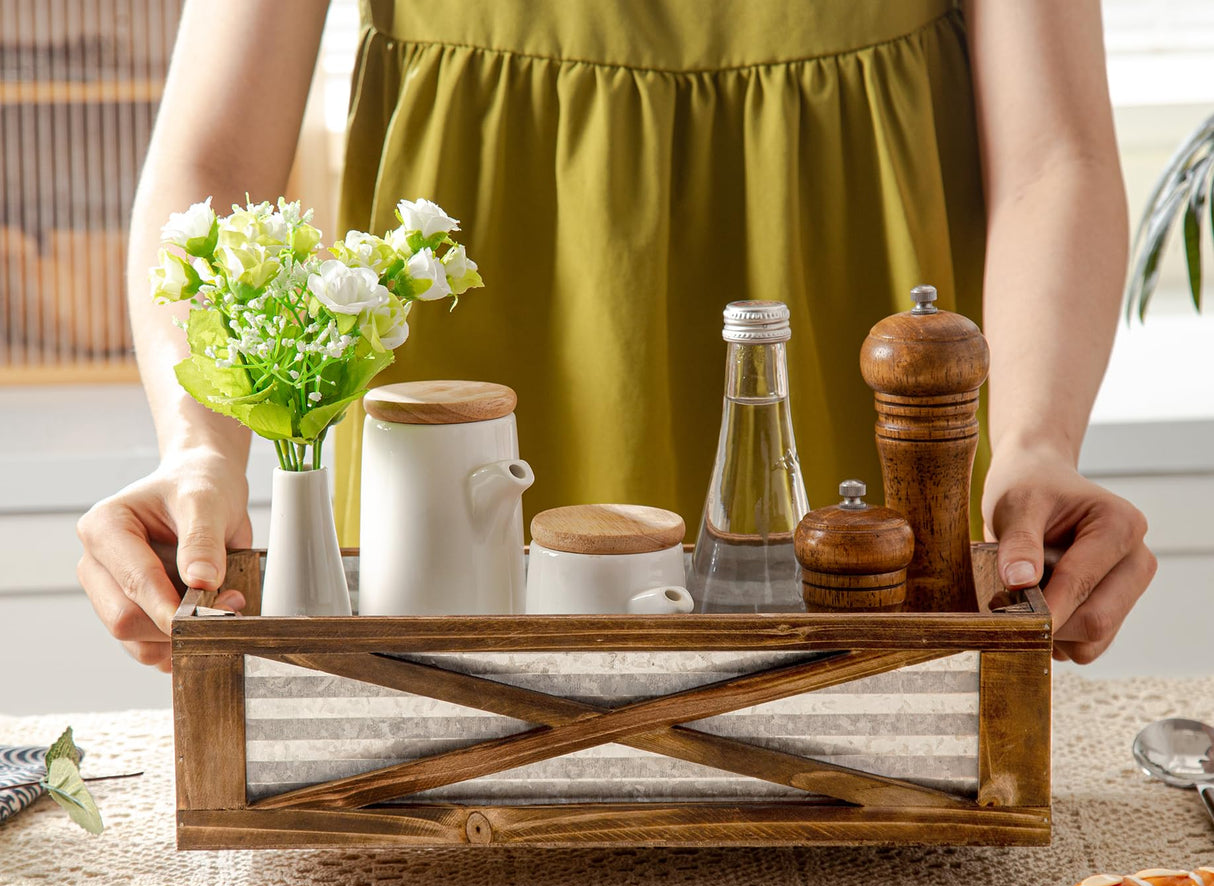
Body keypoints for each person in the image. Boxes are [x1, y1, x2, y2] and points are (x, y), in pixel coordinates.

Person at [77, 0, 1155, 671]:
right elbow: (213, 165)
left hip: (853, 423)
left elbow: (1054, 153)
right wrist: (199, 446)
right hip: (463, 432)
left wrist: (1033, 445)